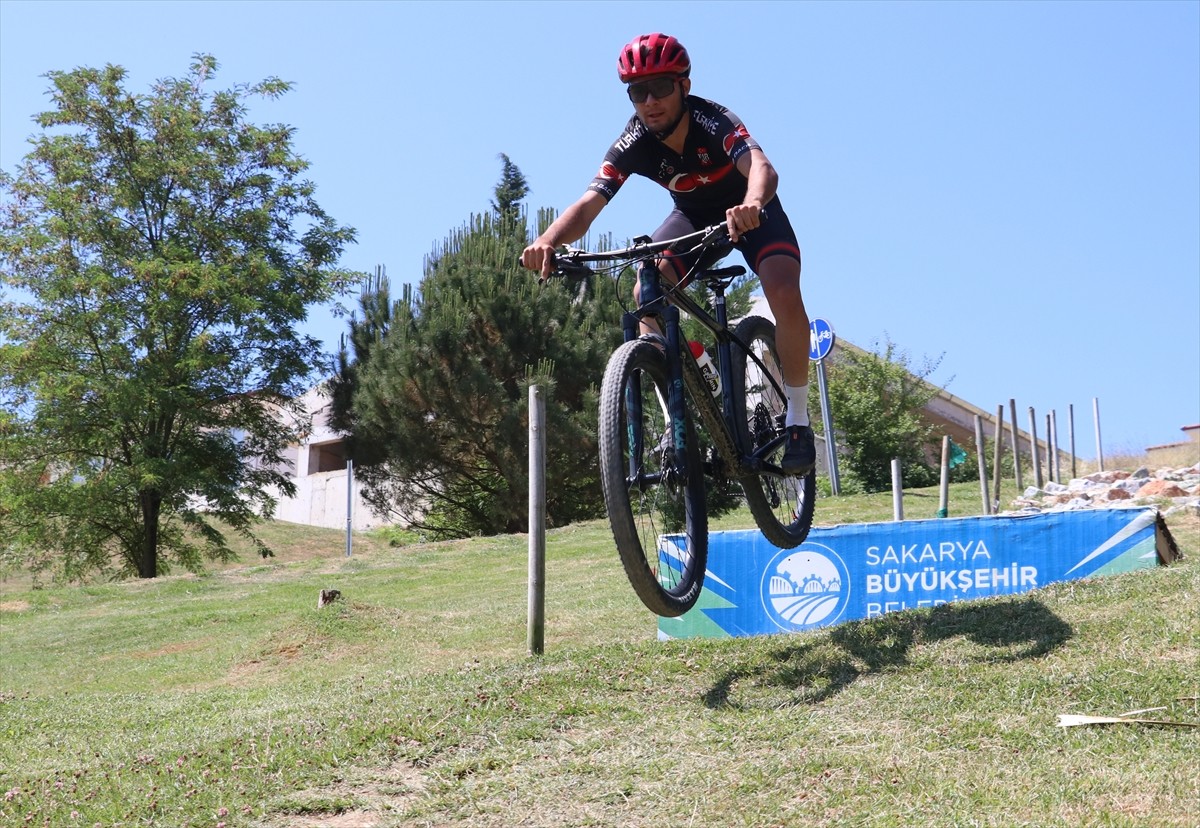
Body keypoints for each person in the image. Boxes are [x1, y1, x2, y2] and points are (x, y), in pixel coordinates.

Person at [521, 32, 816, 476]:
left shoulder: (712, 121)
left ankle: (796, 419)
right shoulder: (634, 139)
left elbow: (761, 168)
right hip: (694, 218)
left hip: (751, 215)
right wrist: (547, 241)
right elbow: (588, 204)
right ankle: (681, 400)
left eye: (660, 87)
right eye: (638, 92)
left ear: (684, 85)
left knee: (781, 288)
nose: (650, 101)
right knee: (647, 290)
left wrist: (752, 204)